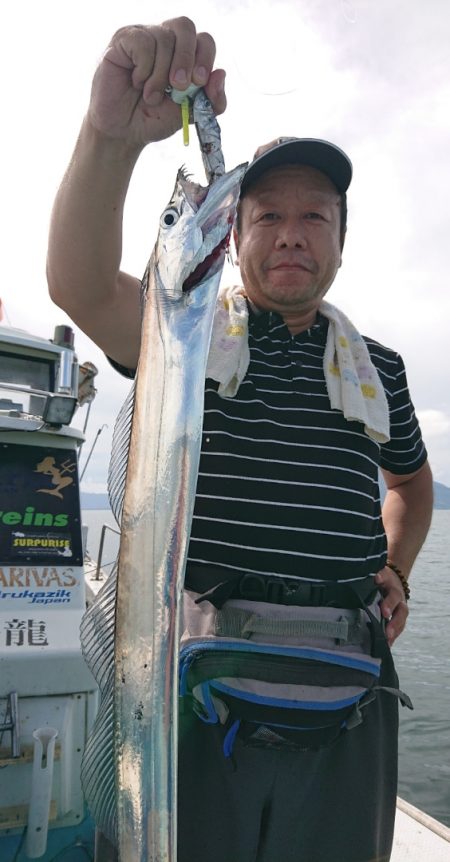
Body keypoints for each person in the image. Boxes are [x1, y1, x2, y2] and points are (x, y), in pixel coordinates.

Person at [47, 17, 433, 862]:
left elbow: (410, 482)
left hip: (347, 696)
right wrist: (110, 139)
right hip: (196, 687)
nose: (292, 233)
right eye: (267, 216)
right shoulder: (183, 335)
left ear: (341, 240)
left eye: (315, 215)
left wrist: (398, 566)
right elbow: (79, 283)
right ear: (234, 234)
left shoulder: (380, 370)